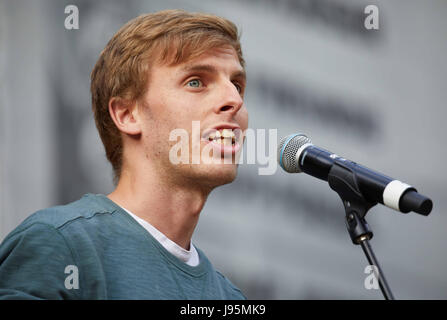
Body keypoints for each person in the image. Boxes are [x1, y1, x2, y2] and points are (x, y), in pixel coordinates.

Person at [0, 9, 248, 299]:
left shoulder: (231, 298)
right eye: (195, 81)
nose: (234, 100)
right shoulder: (61, 244)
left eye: (237, 85)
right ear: (128, 114)